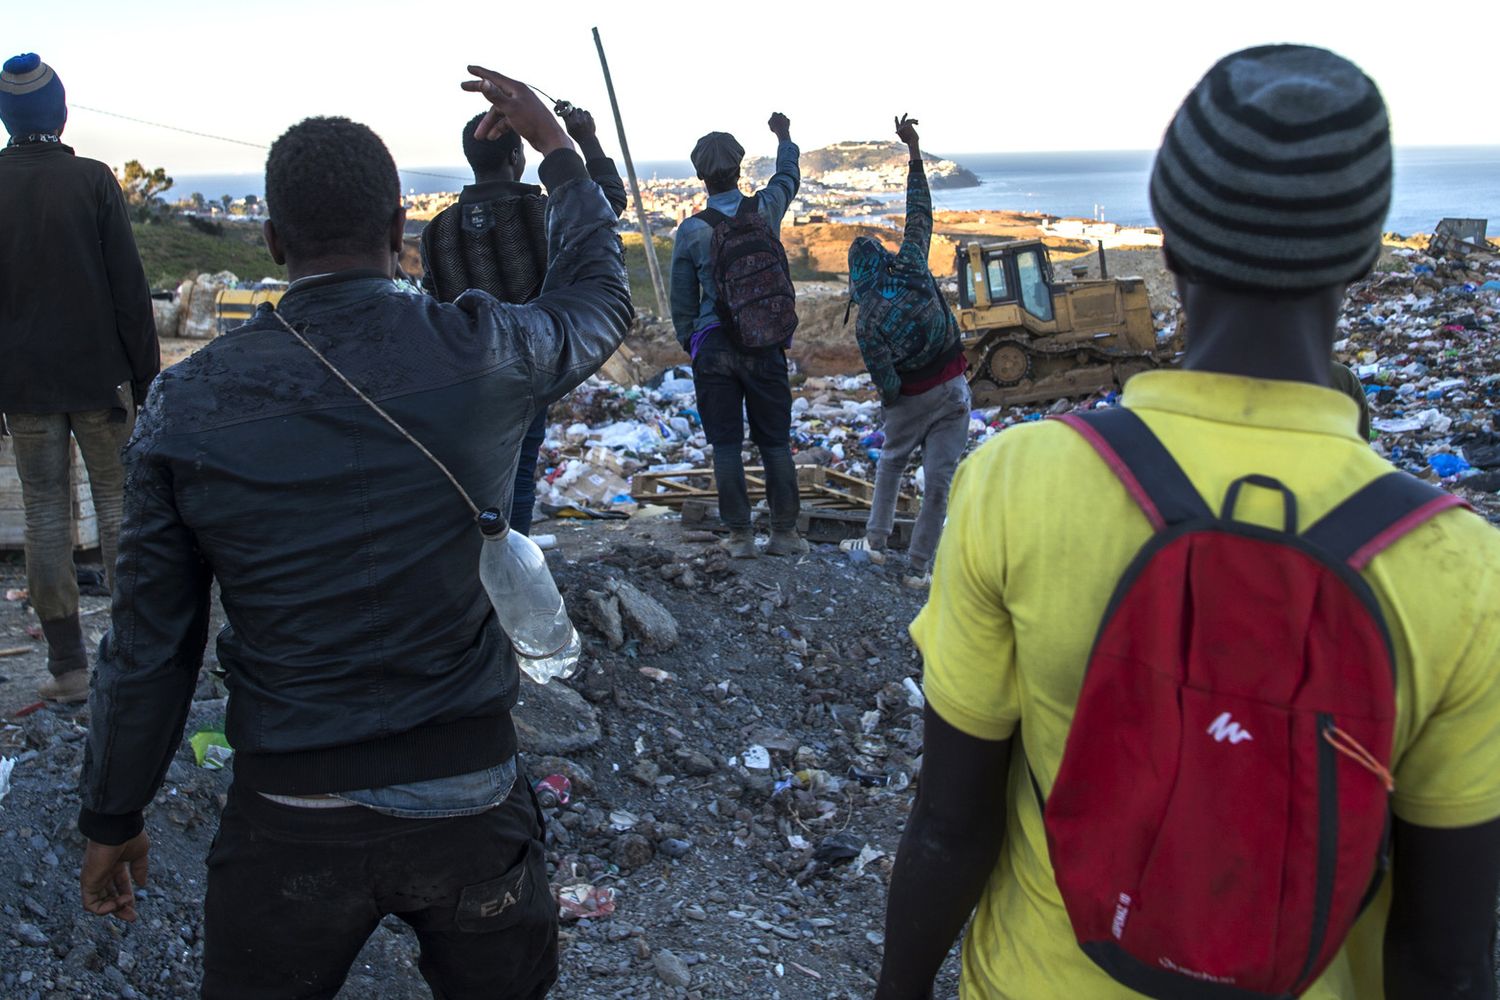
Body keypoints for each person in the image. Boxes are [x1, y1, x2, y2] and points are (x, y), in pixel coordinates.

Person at [876, 46, 1500, 1000]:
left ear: (1169, 237)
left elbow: (950, 830)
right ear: (1365, 256)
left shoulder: (1018, 481)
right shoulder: (1463, 571)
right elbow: (1447, 954)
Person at [76, 65, 632, 1000]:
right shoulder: (483, 350)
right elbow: (597, 303)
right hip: (471, 797)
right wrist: (564, 160)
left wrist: (110, 813)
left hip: (289, 811)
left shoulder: (186, 403)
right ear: (399, 235)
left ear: (274, 240)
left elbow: (149, 648)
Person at [0, 52, 159, 703]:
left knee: (43, 515)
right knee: (121, 509)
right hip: (101, 386)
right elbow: (130, 291)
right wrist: (147, 381)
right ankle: (132, 663)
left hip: (25, 390)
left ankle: (67, 669)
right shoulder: (93, 181)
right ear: (59, 115)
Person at [421, 103, 628, 534]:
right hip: (526, 371)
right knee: (518, 477)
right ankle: (509, 574)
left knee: (468, 481)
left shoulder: (436, 231)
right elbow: (606, 203)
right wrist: (583, 138)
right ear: (517, 157)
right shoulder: (545, 214)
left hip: (460, 380)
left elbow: (433, 302)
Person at [838, 114, 970, 590]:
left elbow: (885, 379)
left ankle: (875, 544)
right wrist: (914, 150)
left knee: (892, 461)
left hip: (913, 397)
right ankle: (919, 568)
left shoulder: (868, 316)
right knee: (939, 481)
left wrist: (898, 401)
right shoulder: (912, 262)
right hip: (954, 387)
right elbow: (920, 213)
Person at [670, 114, 804, 558]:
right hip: (764, 342)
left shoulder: (690, 231)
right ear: (740, 169)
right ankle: (784, 535)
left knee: (726, 446)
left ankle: (740, 538)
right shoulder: (765, 209)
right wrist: (784, 137)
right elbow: (788, 175)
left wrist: (694, 342)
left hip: (714, 349)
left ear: (700, 176)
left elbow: (682, 303)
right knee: (775, 443)